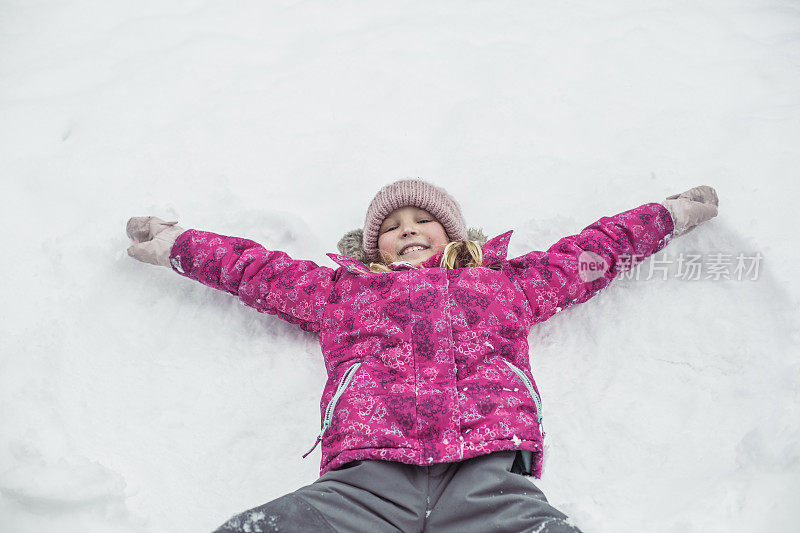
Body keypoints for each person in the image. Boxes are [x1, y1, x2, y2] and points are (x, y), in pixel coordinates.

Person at [126, 179, 718, 532]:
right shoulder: (344, 293)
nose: (408, 230)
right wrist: (178, 245)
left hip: (488, 479)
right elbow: (258, 271)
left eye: (424, 219)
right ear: (370, 245)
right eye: (392, 226)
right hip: (365, 481)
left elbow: (593, 254)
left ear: (453, 232)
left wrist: (668, 215)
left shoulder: (506, 283)